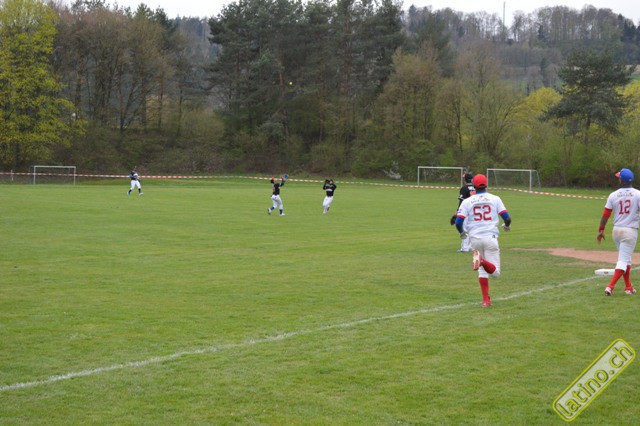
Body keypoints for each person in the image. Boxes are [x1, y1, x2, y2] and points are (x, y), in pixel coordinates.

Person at [455, 174, 511, 307]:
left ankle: (486, 300)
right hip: (490, 237)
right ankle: (482, 261)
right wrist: (506, 226)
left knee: (482, 271)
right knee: (495, 273)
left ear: (474, 186)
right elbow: (507, 218)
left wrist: (462, 232)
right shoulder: (495, 198)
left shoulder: (467, 201)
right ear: (486, 184)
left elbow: (458, 222)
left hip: (474, 239)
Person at [596, 168, 640, 296]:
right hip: (629, 231)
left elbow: (606, 215)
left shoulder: (613, 195)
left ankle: (628, 287)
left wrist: (601, 230)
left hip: (616, 231)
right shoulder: (638, 194)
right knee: (623, 260)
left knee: (626, 259)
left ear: (622, 181)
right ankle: (610, 286)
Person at [450, 172, 476, 252]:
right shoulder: (475, 187)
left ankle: (464, 248)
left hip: (466, 211)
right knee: (472, 229)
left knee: (464, 229)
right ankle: (472, 246)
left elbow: (462, 201)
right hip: (475, 211)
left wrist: (458, 211)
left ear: (465, 180)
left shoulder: (464, 188)